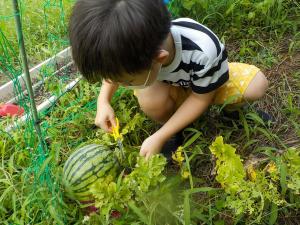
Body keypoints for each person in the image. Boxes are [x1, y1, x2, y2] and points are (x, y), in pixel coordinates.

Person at [69, 0, 269, 159]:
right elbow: (113, 71)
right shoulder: (135, 48)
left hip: (208, 86)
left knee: (256, 86)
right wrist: (103, 101)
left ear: (159, 59)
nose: (119, 85)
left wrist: (159, 136)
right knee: (150, 100)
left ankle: (231, 112)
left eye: (127, 81)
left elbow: (201, 99)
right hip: (173, 84)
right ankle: (173, 129)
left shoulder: (203, 51)